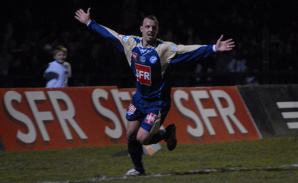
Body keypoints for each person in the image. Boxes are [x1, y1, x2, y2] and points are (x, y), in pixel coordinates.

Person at [75, 8, 235, 176]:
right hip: (140, 98)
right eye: (148, 26)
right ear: (141, 29)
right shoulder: (131, 43)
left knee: (142, 138)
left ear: (157, 30)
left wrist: (213, 48)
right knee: (131, 132)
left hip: (157, 102)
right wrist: (89, 23)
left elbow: (186, 50)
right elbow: (111, 35)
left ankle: (166, 134)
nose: (151, 29)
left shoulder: (163, 49)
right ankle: (139, 169)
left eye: (154, 27)